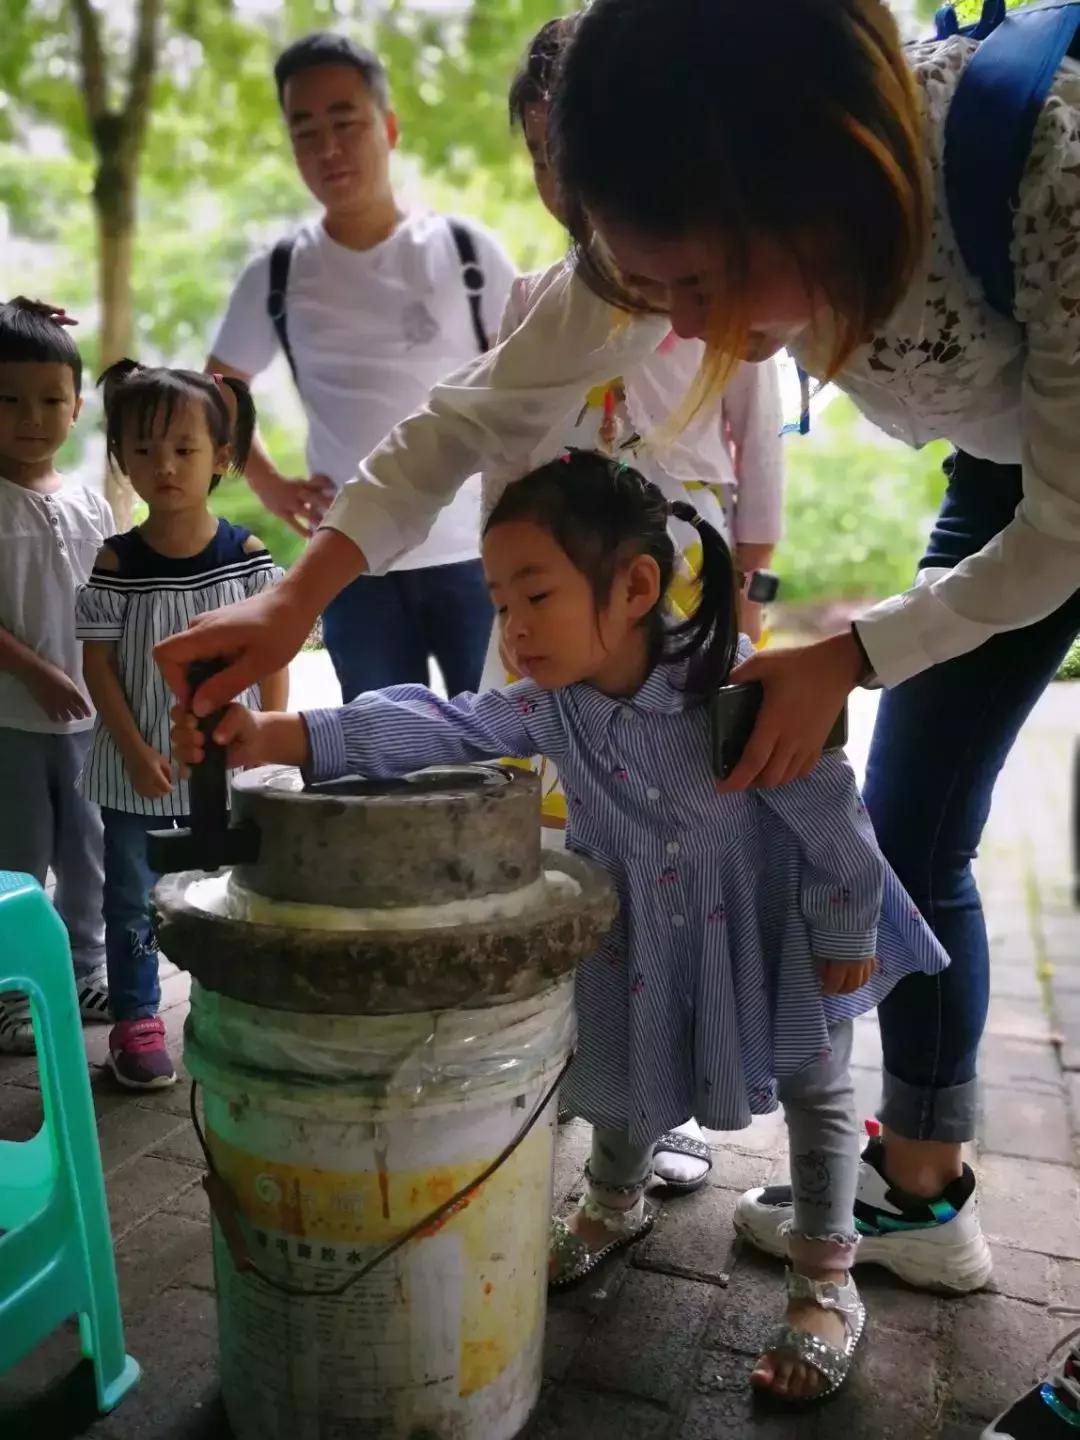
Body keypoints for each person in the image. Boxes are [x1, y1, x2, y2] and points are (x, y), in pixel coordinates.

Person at [172, 450, 949, 1403]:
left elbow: (833, 812)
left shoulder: (738, 687)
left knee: (817, 1088)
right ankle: (614, 1202)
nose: (515, 627)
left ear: (634, 587)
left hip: (773, 935)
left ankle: (824, 1278)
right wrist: (282, 736)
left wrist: (845, 929)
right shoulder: (553, 708)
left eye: (536, 595)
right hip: (638, 937)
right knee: (615, 1062)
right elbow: (444, 725)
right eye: (501, 602)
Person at [490, 14, 785, 1190]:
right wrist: (508, 600)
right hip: (558, 605)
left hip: (681, 594)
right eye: (541, 154)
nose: (561, 179)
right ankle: (566, 1062)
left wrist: (750, 595)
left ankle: (659, 1101)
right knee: (558, 830)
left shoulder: (709, 285)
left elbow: (757, 440)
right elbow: (499, 452)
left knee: (664, 838)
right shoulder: (530, 297)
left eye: (573, 150)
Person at [207, 31, 516, 701]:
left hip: (479, 550)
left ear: (389, 127)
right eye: (305, 131)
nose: (328, 148)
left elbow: (528, 380)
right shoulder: (278, 274)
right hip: (350, 560)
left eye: (345, 122)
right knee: (377, 750)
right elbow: (220, 388)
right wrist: (269, 485)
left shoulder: (466, 253)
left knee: (502, 743)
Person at [76, 362, 287, 1089]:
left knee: (229, 895)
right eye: (143, 449)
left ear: (220, 456)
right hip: (136, 771)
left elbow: (271, 659)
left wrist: (267, 742)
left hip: (227, 769)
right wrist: (136, 750)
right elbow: (99, 665)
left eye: (184, 449)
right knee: (131, 899)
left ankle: (223, 1008)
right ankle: (137, 1019)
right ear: (122, 458)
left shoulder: (245, 558)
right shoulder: (117, 560)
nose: (163, 466)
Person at [0, 298, 113, 1052]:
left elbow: (114, 605)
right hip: (10, 721)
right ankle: (11, 992)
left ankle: (84, 972)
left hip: (88, 723)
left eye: (50, 400)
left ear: (76, 407)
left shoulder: (89, 502)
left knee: (88, 853)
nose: (31, 418)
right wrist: (35, 672)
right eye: (8, 400)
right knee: (15, 860)